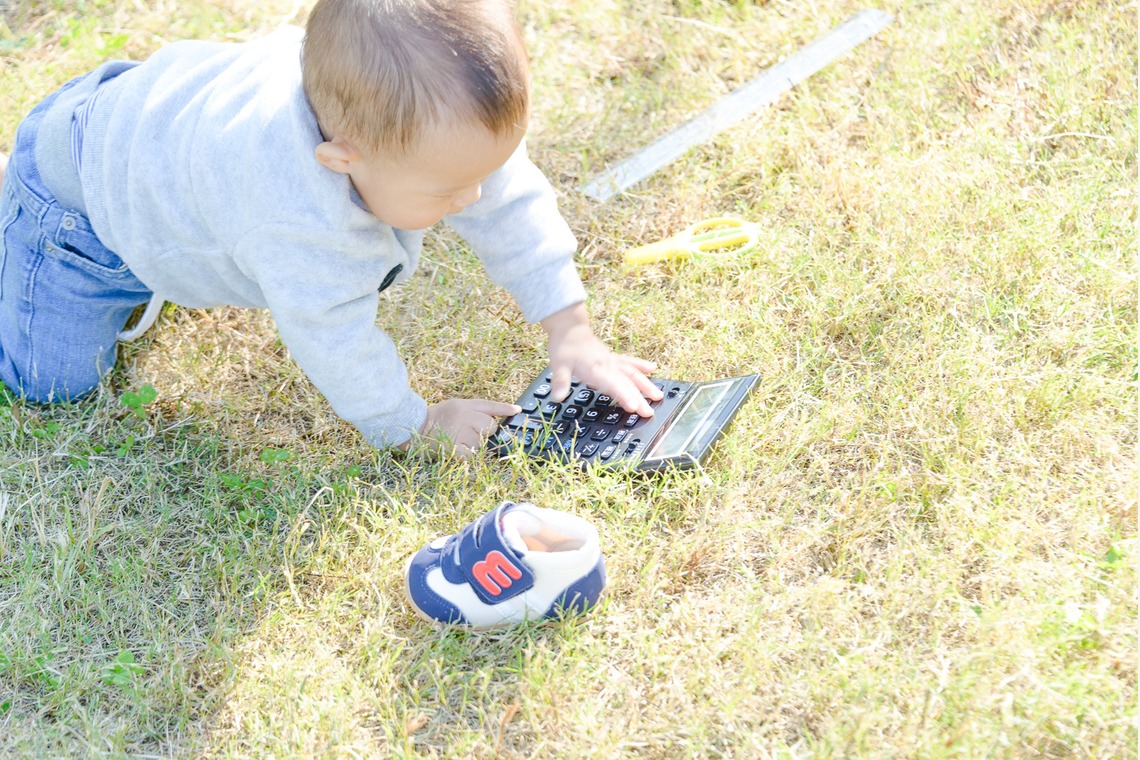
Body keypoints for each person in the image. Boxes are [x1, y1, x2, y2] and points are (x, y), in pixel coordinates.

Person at [0, 0, 662, 456]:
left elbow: (512, 205)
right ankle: (20, 221)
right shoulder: (296, 220)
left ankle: (152, 246)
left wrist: (570, 330)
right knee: (53, 388)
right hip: (78, 217)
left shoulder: (412, 127)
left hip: (146, 131)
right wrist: (417, 425)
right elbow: (334, 339)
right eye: (448, 189)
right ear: (342, 159)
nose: (476, 196)